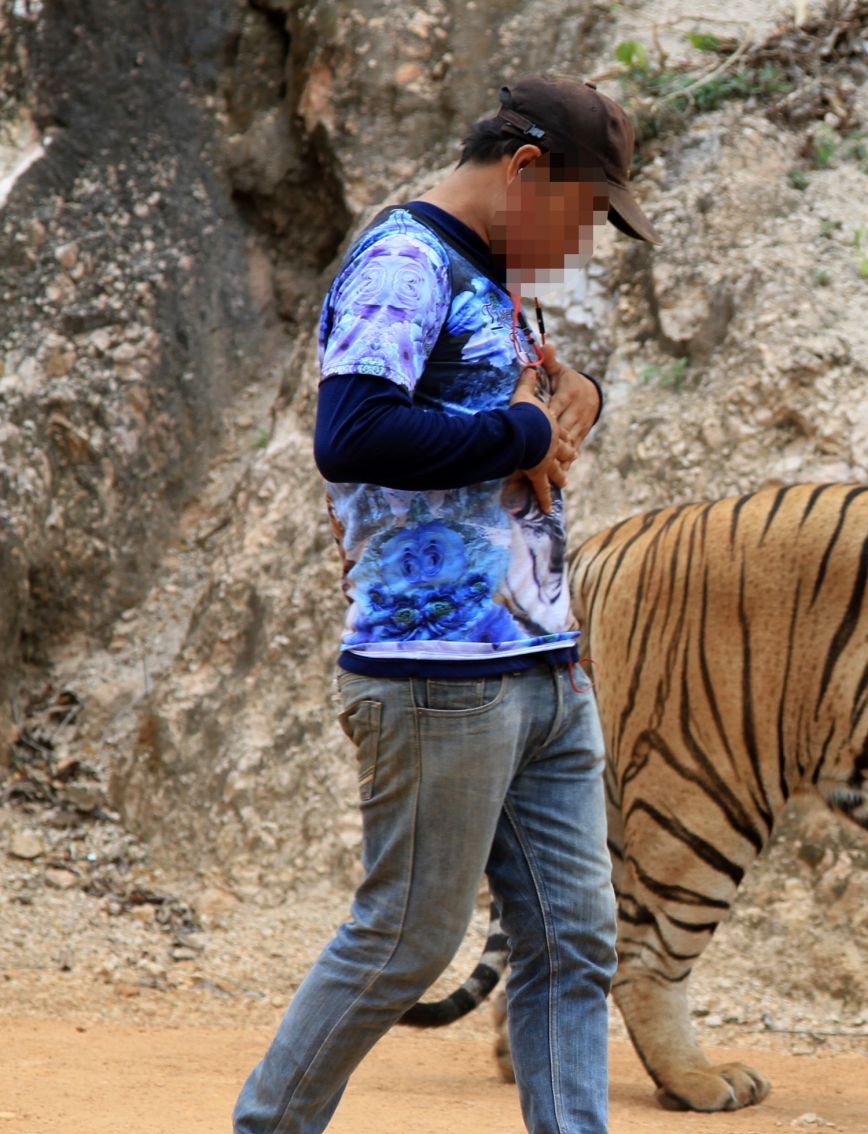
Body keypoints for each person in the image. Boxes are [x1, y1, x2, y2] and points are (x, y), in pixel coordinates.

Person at [233, 76, 663, 1134]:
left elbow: (513, 413)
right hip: (436, 681)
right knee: (404, 944)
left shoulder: (494, 275)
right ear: (525, 172)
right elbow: (354, 433)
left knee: (575, 943)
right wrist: (521, 436)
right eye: (585, 212)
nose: (587, 241)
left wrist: (577, 402)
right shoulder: (402, 263)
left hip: (540, 670)